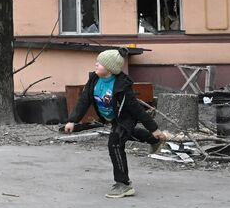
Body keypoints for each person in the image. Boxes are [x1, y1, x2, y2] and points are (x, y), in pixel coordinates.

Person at [64, 47, 167, 198]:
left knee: (115, 143)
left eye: (100, 63)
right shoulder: (94, 79)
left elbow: (136, 108)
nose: (96, 64)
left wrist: (153, 128)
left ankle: (123, 184)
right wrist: (72, 120)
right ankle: (153, 141)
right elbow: (84, 100)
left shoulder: (121, 85)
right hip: (113, 118)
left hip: (125, 118)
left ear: (110, 68)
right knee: (125, 135)